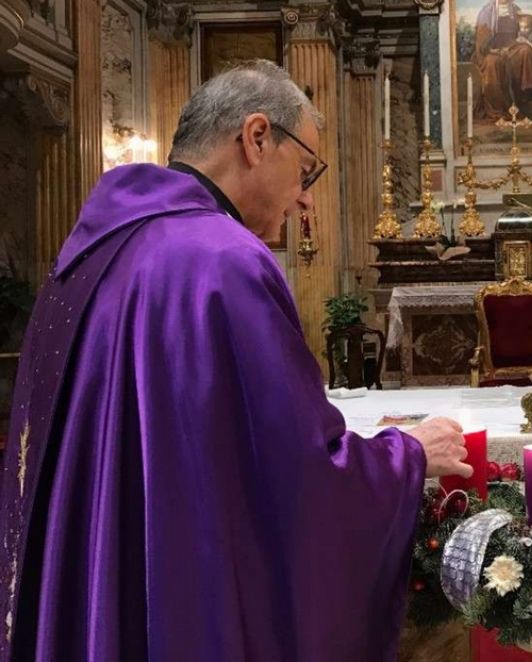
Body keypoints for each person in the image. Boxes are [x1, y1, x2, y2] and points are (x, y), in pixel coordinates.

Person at [0, 60, 472, 661]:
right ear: (256, 138)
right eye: (306, 170)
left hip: (93, 587)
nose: (305, 198)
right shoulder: (225, 260)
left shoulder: (86, 253)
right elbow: (299, 476)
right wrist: (407, 455)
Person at [472, 0, 532, 119]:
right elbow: (481, 42)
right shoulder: (486, 12)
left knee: (526, 51)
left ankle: (523, 98)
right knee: (492, 62)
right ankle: (497, 107)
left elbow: (528, 29)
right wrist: (492, 50)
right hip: (492, 51)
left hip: (512, 49)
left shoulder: (515, 10)